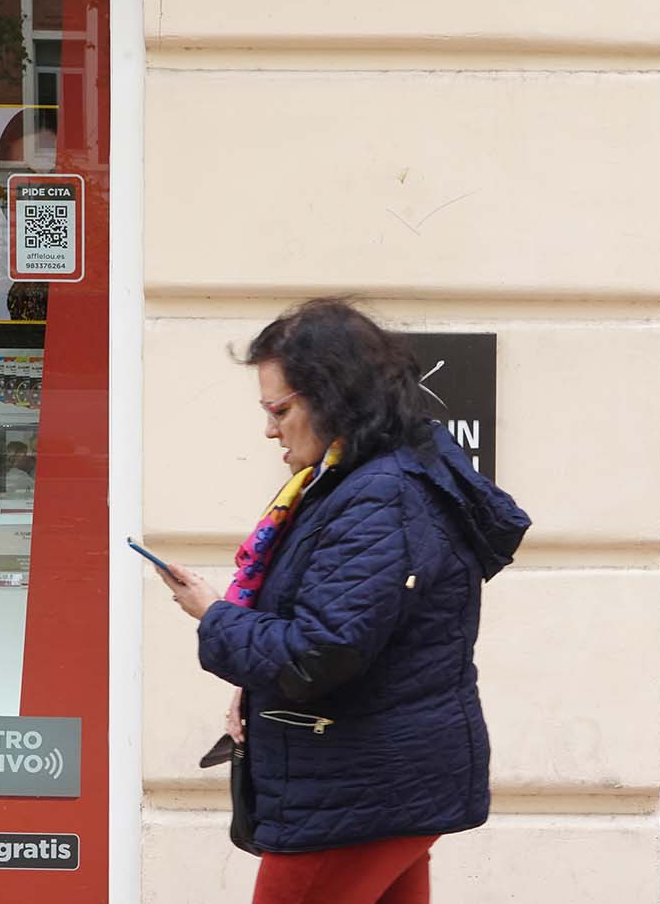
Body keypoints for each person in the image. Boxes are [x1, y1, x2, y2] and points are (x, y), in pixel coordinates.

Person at [154, 298, 530, 904]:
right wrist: (253, 683)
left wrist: (215, 616)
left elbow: (317, 653)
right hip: (375, 784)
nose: (269, 429)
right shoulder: (371, 481)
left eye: (280, 409)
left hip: (357, 793)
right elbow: (339, 635)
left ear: (333, 399)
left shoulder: (379, 497)